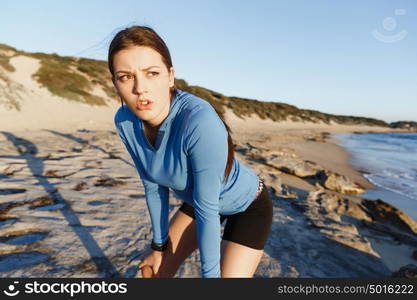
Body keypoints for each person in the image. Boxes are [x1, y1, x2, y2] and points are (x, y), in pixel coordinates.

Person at [109, 25, 273, 278]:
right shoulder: (125, 121)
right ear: (115, 83)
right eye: (125, 77)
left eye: (151, 73)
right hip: (198, 201)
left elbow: (208, 209)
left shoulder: (198, 120)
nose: (140, 88)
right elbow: (152, 185)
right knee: (154, 270)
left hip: (247, 206)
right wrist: (159, 245)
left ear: (170, 76)